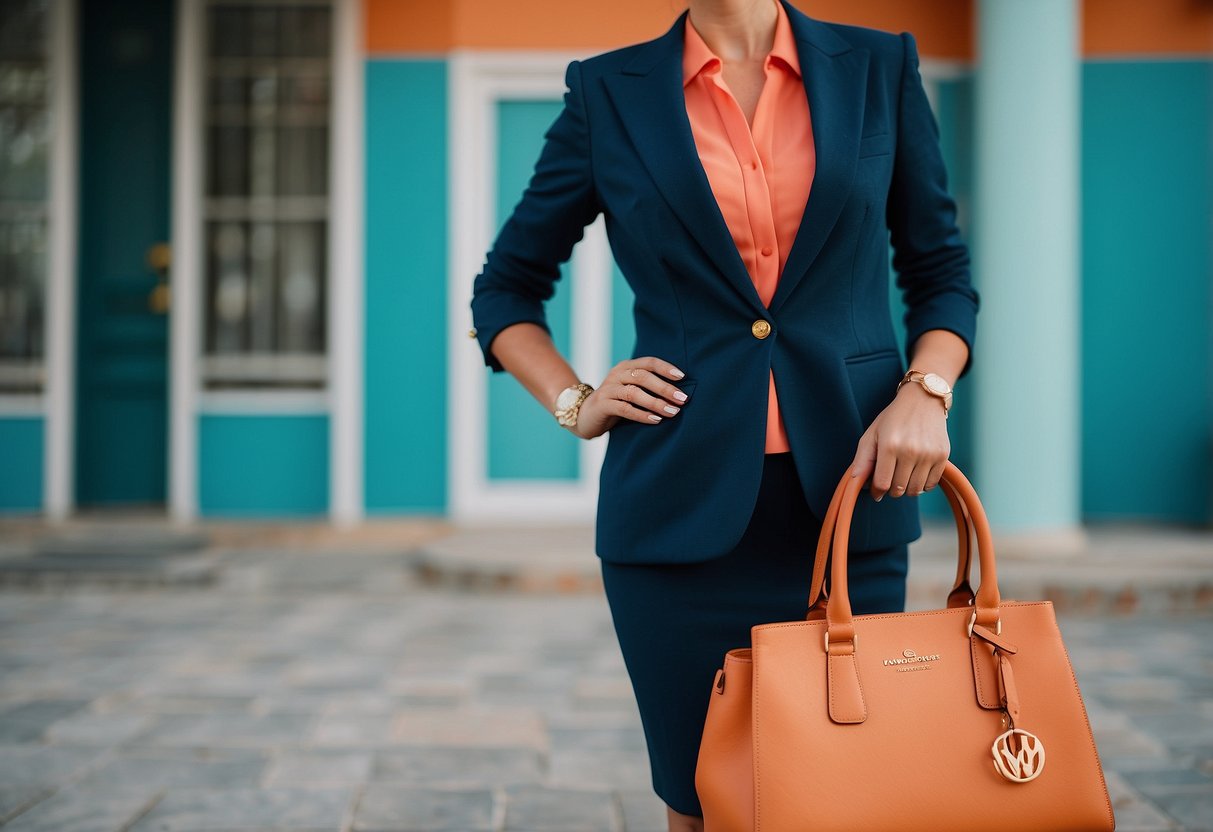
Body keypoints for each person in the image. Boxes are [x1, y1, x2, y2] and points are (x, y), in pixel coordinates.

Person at [469, 0, 978, 828]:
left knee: (845, 796)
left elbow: (941, 272)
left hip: (849, 509)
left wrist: (924, 392)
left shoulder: (878, 67)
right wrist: (576, 401)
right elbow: (505, 289)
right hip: (675, 517)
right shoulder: (609, 93)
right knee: (708, 803)